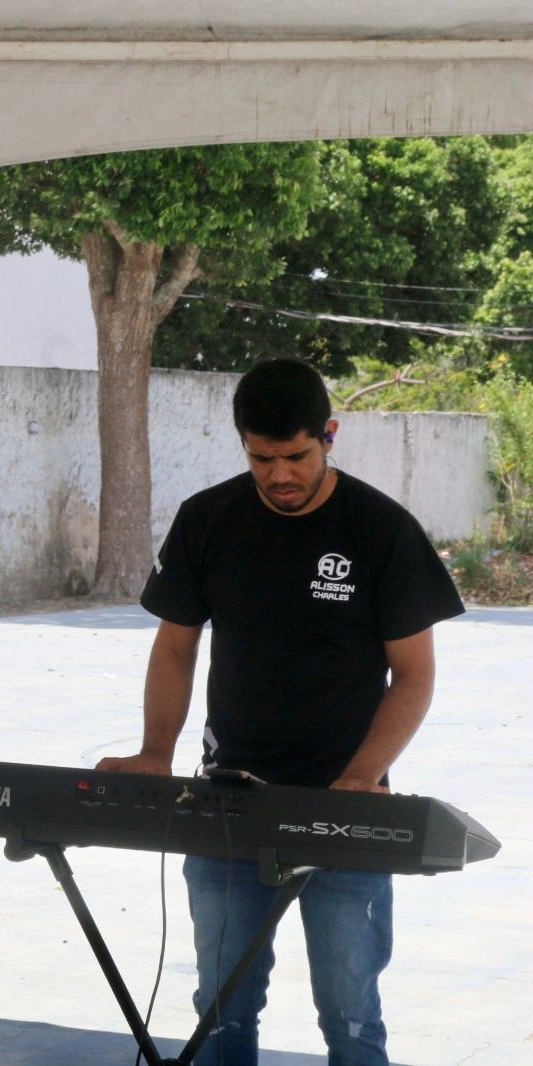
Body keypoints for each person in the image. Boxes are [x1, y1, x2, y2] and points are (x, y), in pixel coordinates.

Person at [96, 357, 465, 1065]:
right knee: (221, 1014)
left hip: (344, 809)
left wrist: (362, 776)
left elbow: (414, 675)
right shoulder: (208, 519)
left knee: (351, 1017)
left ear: (329, 435)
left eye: (296, 456)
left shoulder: (380, 529)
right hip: (229, 802)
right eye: (262, 458)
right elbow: (175, 648)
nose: (280, 475)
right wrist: (154, 752)